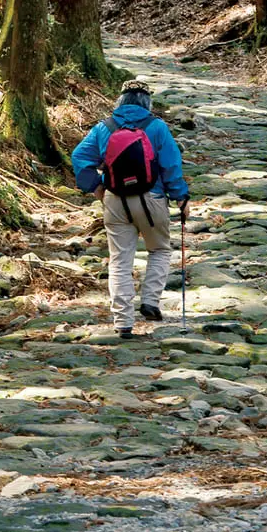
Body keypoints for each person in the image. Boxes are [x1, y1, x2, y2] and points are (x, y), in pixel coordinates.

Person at [71, 77, 190, 338]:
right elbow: (171, 165)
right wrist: (181, 196)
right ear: (148, 102)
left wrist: (96, 186)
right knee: (159, 249)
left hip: (115, 199)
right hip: (152, 198)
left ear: (120, 101)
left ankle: (123, 321)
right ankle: (150, 302)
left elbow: (79, 156)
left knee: (120, 260)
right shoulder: (157, 127)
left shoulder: (105, 127)